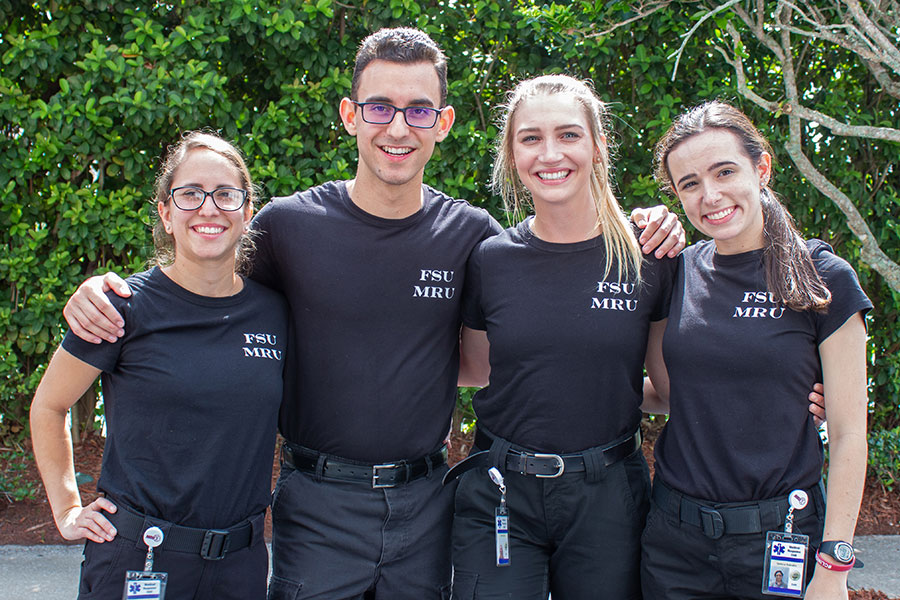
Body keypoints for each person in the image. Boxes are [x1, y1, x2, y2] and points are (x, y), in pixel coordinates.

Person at [59, 29, 684, 599]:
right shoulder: (286, 228)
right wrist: (112, 290)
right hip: (316, 503)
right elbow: (201, 272)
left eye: (418, 110)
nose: (398, 128)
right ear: (350, 115)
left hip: (426, 503)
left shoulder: (473, 237)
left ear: (442, 123)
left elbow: (536, 296)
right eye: (380, 107)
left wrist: (649, 224)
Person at [445, 74, 676, 600]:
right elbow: (483, 371)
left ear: (598, 147)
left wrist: (782, 399)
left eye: (569, 135)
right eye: (530, 138)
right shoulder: (491, 260)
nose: (550, 153)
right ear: (511, 154)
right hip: (500, 493)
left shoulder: (649, 258)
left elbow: (671, 392)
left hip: (609, 496)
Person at [30, 132, 288, 599]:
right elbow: (49, 406)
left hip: (240, 567)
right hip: (138, 559)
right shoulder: (121, 306)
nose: (209, 208)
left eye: (226, 194)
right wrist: (68, 510)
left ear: (247, 212)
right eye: (190, 194)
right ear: (167, 214)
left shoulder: (275, 313)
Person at [640, 101, 870, 600]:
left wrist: (834, 567)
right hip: (675, 542)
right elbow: (676, 394)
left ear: (760, 167)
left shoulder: (823, 278)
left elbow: (851, 434)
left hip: (780, 539)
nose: (710, 195)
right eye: (690, 184)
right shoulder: (675, 272)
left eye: (725, 172)